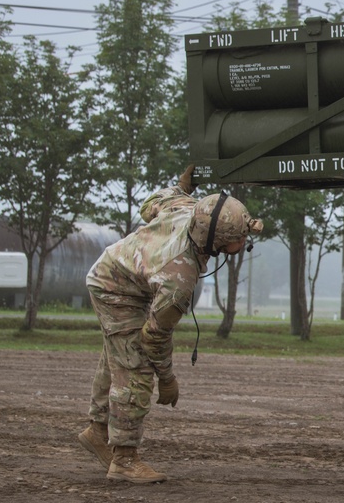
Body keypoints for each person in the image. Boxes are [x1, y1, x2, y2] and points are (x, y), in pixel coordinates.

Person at [78, 166, 263, 483]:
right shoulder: (180, 279)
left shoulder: (190, 211)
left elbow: (155, 201)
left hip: (119, 275)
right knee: (135, 364)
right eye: (237, 239)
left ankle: (97, 430)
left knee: (118, 356)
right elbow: (155, 337)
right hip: (114, 290)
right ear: (215, 240)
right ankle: (123, 459)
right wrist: (167, 379)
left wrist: (183, 184)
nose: (243, 242)